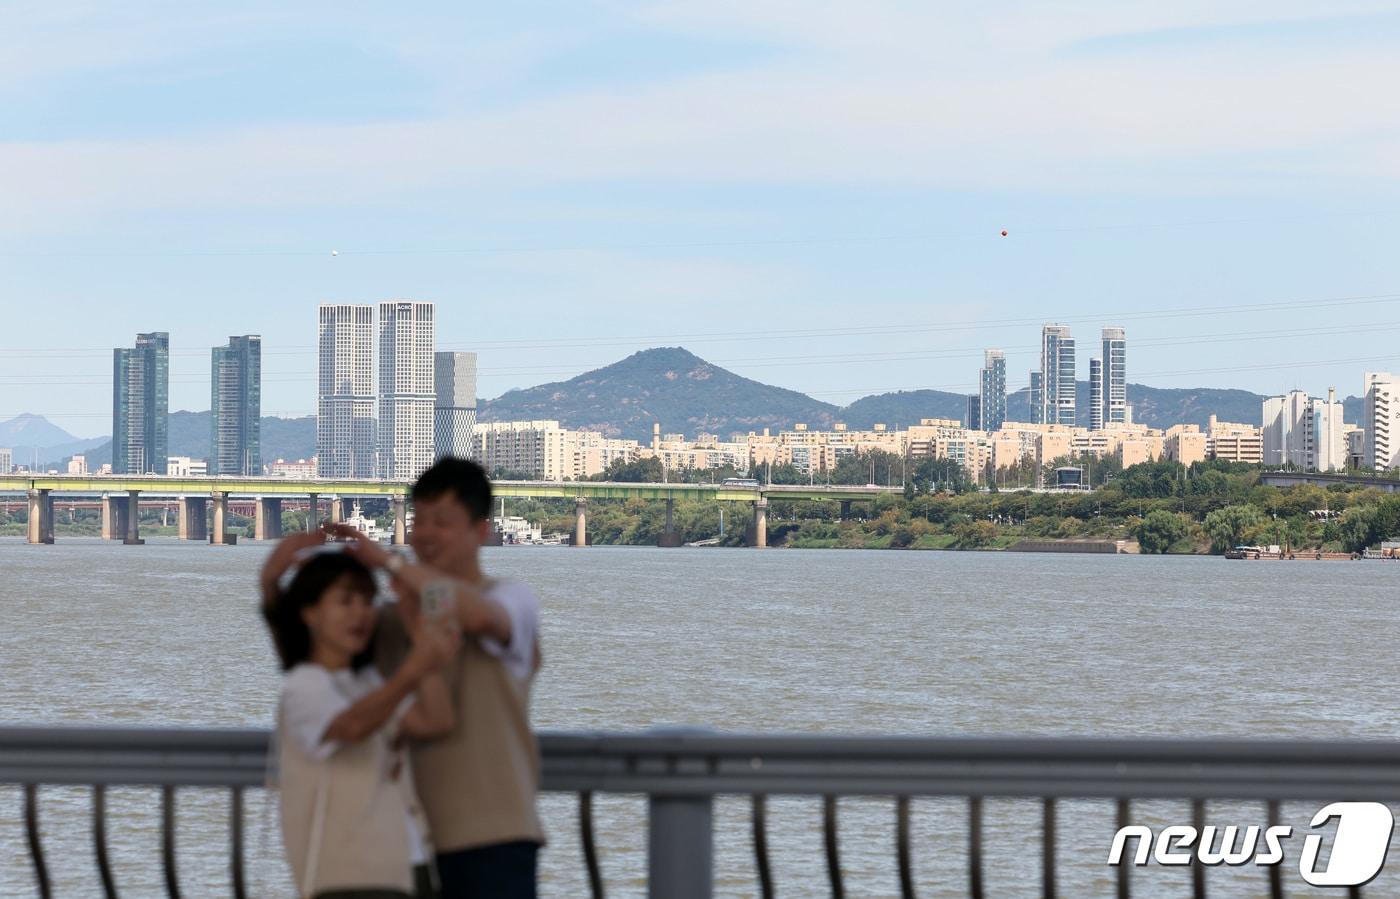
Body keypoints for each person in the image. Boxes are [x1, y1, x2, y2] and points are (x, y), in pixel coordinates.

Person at [330, 457, 544, 899]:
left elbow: (474, 614)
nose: (425, 533)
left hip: (494, 838)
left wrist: (387, 564)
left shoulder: (511, 599)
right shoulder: (389, 619)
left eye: (441, 522)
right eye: (419, 520)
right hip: (405, 844)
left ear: (480, 530)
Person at [260, 533, 461, 899]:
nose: (361, 613)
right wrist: (415, 670)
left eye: (368, 600)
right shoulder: (304, 687)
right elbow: (349, 727)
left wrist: (422, 640)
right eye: (345, 601)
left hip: (407, 867)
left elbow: (435, 721)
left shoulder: (369, 682)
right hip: (346, 877)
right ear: (309, 612)